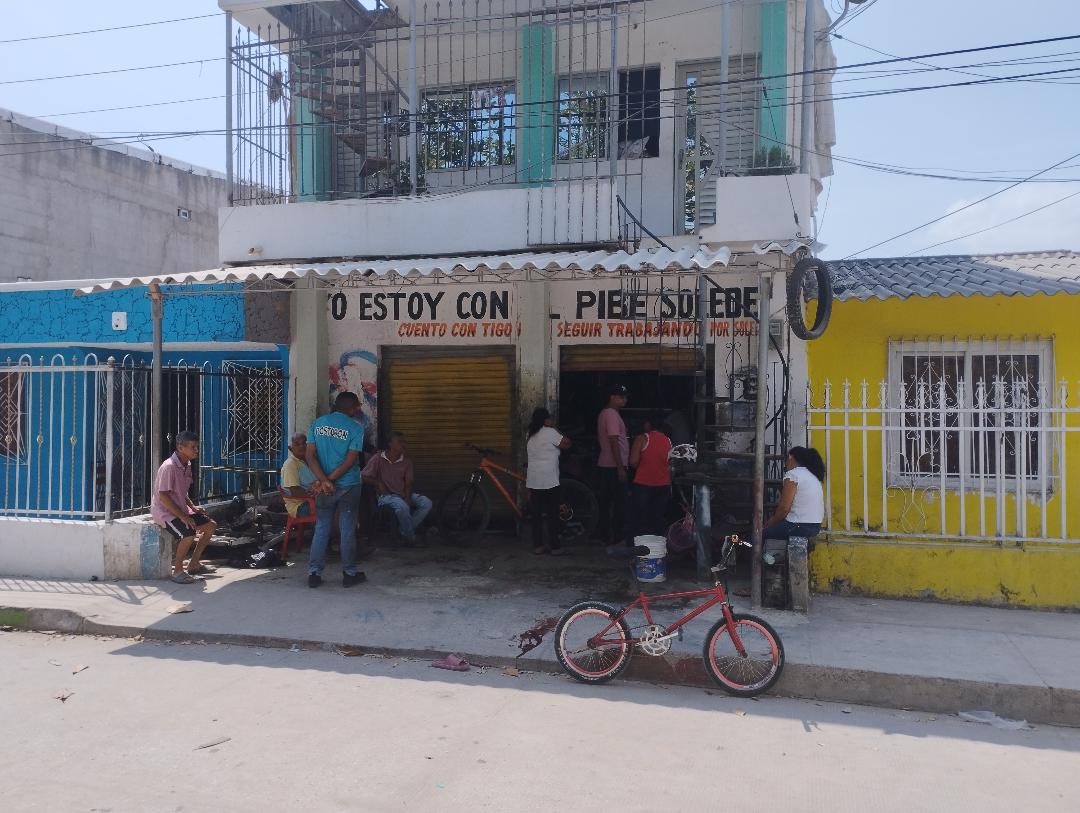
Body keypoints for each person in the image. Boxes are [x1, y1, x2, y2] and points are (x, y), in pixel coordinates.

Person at [305, 391, 367, 589]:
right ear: (351, 408)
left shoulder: (317, 424)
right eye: (357, 406)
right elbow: (350, 461)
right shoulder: (356, 428)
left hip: (324, 487)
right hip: (348, 484)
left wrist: (323, 481)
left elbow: (310, 456)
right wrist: (330, 480)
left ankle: (314, 573)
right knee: (347, 528)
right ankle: (349, 573)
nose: (359, 409)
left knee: (322, 527)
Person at [151, 431, 218, 584]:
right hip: (166, 512)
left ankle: (194, 564)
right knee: (188, 534)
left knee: (210, 526)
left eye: (197, 447)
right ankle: (178, 571)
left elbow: (182, 491)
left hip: (181, 509)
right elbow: (163, 496)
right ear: (180, 448)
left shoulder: (186, 464)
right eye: (193, 447)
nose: (196, 450)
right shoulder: (169, 467)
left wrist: (193, 508)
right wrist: (183, 517)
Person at [361, 431, 433, 545]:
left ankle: (403, 531)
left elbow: (409, 482)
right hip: (385, 496)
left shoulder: (406, 461)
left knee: (427, 503)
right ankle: (411, 537)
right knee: (402, 506)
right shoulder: (378, 458)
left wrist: (408, 497)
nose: (403, 444)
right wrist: (378, 483)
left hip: (402, 493)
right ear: (390, 444)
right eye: (400, 442)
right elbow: (363, 476)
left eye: (404, 442)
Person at [621, 413, 673, 551]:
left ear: (648, 424)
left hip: (643, 484)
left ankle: (635, 547)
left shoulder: (642, 438)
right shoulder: (668, 441)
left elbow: (633, 462)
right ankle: (657, 549)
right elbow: (670, 464)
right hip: (663, 485)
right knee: (657, 518)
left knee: (638, 517)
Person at [763, 446, 826, 557]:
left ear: (791, 458)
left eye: (786, 460)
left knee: (759, 534)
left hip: (799, 526)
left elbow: (784, 508)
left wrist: (771, 521)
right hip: (815, 527)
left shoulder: (793, 475)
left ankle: (752, 564)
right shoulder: (812, 475)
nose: (785, 464)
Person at [525, 407, 572, 556]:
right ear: (546, 420)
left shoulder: (530, 433)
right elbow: (567, 444)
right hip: (549, 479)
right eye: (549, 418)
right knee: (552, 514)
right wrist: (555, 428)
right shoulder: (550, 432)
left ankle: (538, 546)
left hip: (533, 480)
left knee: (537, 515)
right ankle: (555, 547)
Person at [595, 384, 629, 547]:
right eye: (621, 397)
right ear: (612, 397)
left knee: (607, 502)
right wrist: (620, 467)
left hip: (607, 464)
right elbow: (614, 441)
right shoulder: (611, 415)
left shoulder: (606, 413)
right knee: (619, 503)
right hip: (613, 466)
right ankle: (617, 537)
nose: (625, 400)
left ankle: (604, 535)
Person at [280, 432, 317, 517]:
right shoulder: (290, 464)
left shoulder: (309, 460)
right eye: (297, 444)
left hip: (312, 499)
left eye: (304, 443)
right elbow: (295, 492)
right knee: (331, 506)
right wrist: (318, 498)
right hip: (300, 506)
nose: (302, 446)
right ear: (290, 448)